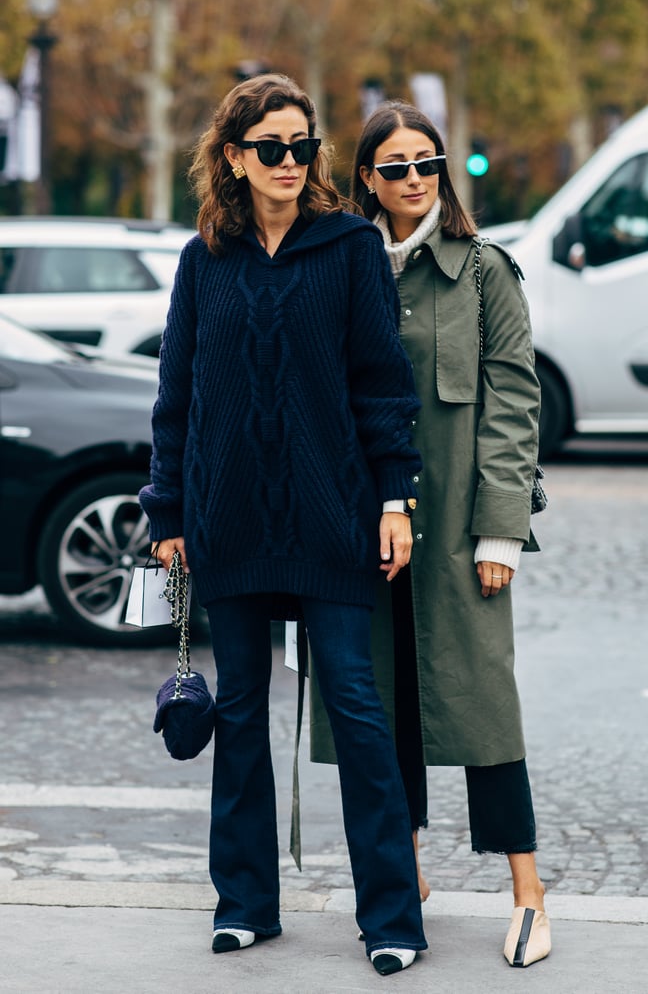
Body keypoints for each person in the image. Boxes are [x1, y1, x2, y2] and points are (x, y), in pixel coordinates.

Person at [139, 75, 427, 977]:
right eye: (272, 148)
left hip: (332, 515)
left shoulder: (347, 250)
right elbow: (175, 394)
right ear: (233, 157)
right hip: (227, 518)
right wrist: (167, 508)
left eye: (303, 146)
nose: (291, 162)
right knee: (239, 711)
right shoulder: (203, 259)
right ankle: (244, 904)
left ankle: (390, 917)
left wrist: (394, 499)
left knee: (355, 705)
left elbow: (382, 385)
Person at [318, 99, 550, 968]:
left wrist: (500, 534)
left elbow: (513, 406)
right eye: (395, 166)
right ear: (367, 179)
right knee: (381, 711)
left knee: (486, 710)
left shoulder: (484, 270)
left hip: (456, 533)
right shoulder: (344, 268)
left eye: (426, 163)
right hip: (362, 530)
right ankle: (403, 870)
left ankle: (528, 891)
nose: (414, 180)